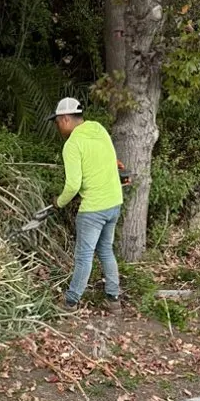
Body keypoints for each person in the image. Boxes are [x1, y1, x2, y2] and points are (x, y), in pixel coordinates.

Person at [49, 97, 123, 312]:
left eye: (57, 122)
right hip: (114, 202)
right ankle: (113, 299)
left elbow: (73, 185)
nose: (57, 127)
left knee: (83, 256)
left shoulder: (72, 144)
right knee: (106, 250)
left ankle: (70, 302)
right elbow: (111, 159)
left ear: (65, 119)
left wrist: (59, 202)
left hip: (93, 208)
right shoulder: (98, 129)